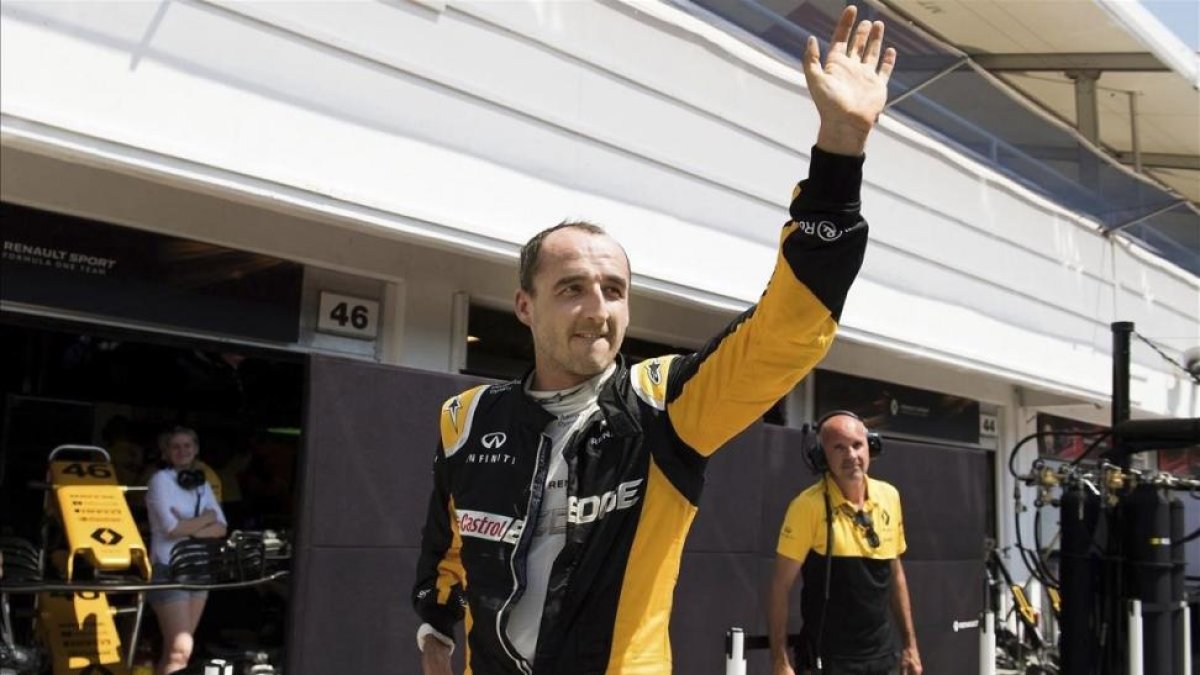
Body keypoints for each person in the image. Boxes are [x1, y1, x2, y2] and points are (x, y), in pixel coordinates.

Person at [413, 6, 898, 673]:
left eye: (614, 290)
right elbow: (446, 558)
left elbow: (787, 334)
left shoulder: (663, 404)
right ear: (523, 306)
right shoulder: (465, 421)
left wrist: (839, 156)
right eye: (572, 288)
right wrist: (434, 639)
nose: (597, 309)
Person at [767, 412, 920, 675]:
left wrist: (910, 646)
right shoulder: (807, 506)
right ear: (821, 456)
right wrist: (780, 661)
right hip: (826, 662)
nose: (851, 455)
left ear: (871, 447)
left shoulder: (890, 497)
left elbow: (896, 576)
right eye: (839, 447)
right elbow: (780, 588)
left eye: (857, 445)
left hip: (882, 659)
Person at [145, 426, 228, 674]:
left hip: (199, 569)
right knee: (179, 650)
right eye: (176, 446)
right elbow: (171, 529)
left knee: (182, 652)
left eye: (187, 446)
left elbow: (221, 526)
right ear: (166, 453)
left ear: (196, 450)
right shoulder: (160, 481)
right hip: (170, 568)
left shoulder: (201, 484)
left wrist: (190, 527)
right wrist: (205, 519)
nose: (182, 451)